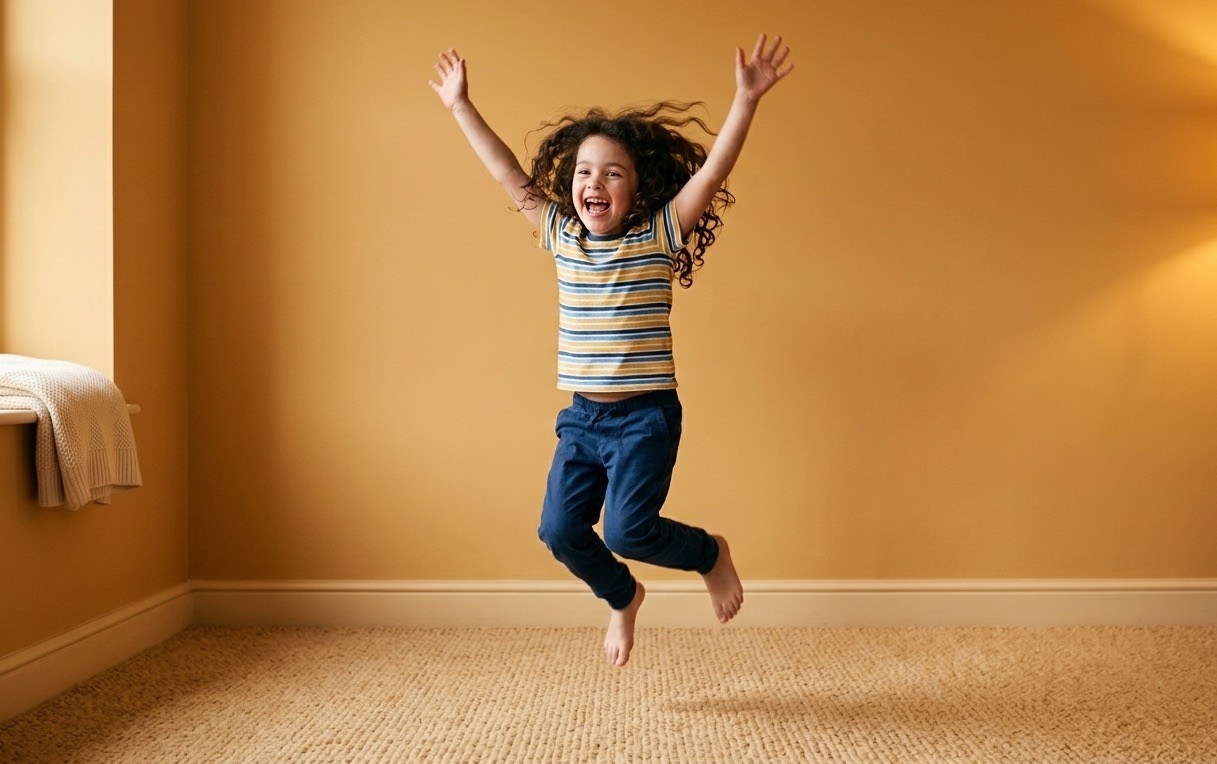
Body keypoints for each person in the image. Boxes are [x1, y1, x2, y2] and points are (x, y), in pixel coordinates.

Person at [429, 34, 793, 666]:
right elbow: (507, 174)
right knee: (558, 530)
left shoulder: (659, 233)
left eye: (613, 172)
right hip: (583, 419)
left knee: (628, 530)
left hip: (645, 418)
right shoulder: (561, 234)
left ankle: (709, 554)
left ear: (638, 187)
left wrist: (746, 100)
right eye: (584, 171)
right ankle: (622, 596)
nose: (594, 182)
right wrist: (461, 105)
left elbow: (713, 172)